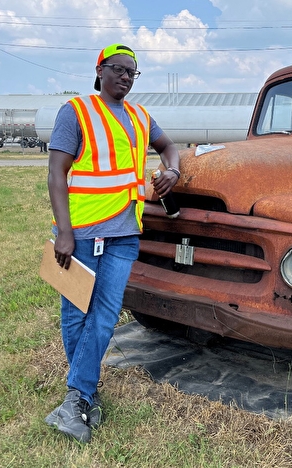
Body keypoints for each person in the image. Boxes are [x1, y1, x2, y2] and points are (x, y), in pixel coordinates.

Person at [45, 43, 180, 443]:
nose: (124, 76)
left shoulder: (140, 116)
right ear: (100, 71)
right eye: (118, 69)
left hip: (124, 232)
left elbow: (168, 147)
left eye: (131, 72)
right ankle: (83, 393)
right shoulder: (77, 111)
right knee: (75, 313)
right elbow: (56, 173)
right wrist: (65, 233)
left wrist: (172, 170)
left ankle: (77, 396)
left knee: (104, 313)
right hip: (80, 233)